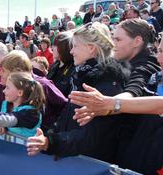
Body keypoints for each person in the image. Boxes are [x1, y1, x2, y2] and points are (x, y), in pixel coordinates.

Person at [26, 22, 130, 164]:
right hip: (73, 160)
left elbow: (93, 137)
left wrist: (51, 142)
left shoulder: (109, 83)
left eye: (75, 46)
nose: (71, 52)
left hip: (92, 169)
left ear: (91, 48)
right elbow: (67, 116)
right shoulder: (81, 76)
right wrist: (49, 136)